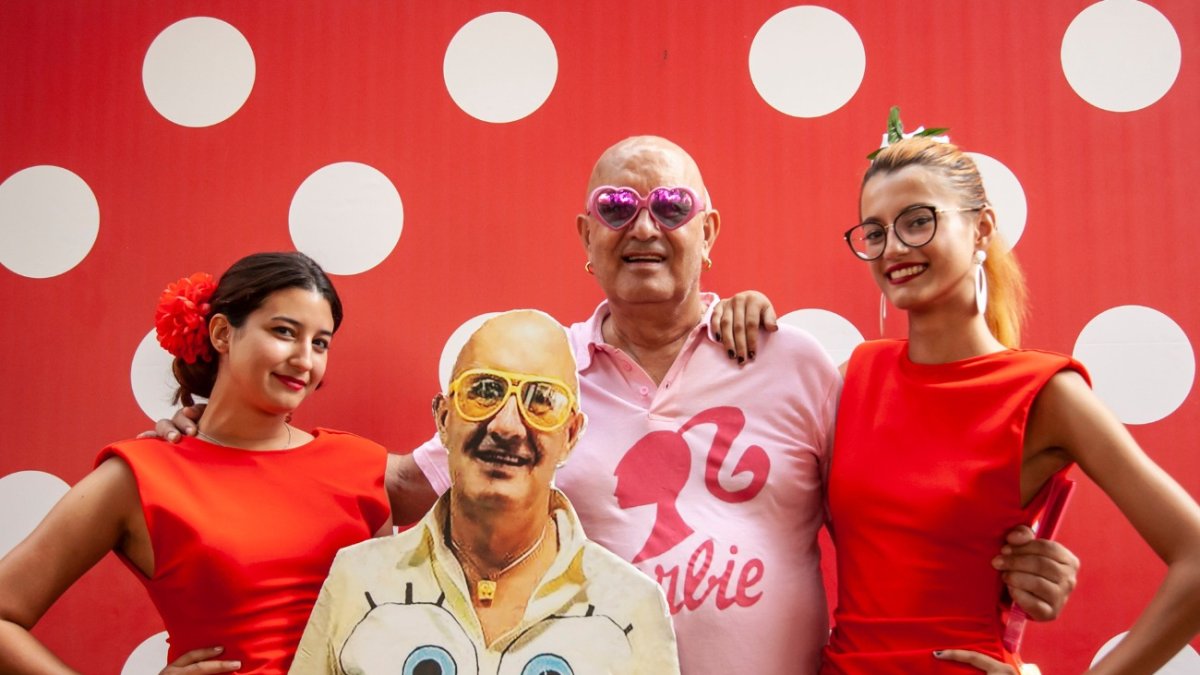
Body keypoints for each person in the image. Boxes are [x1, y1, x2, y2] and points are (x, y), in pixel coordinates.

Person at [160, 136, 1079, 674]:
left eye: (672, 207)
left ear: (709, 233)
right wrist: (230, 446)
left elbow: (895, 507)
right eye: (618, 205)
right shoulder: (535, 375)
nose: (646, 224)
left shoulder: (795, 359)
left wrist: (1005, 570)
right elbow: (395, 488)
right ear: (585, 237)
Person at [720, 120, 1200, 672]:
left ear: (982, 228)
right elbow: (745, 487)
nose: (893, 247)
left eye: (917, 221)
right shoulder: (854, 377)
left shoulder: (1046, 393)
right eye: (875, 232)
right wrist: (731, 319)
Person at [0, 252, 392, 674]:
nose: (304, 359)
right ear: (222, 333)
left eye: (320, 343)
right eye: (284, 331)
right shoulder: (140, 476)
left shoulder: (360, 464)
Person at [290, 310, 679, 675]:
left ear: (570, 436)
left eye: (541, 400)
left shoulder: (630, 606)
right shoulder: (358, 579)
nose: (506, 426)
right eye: (484, 391)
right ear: (444, 419)